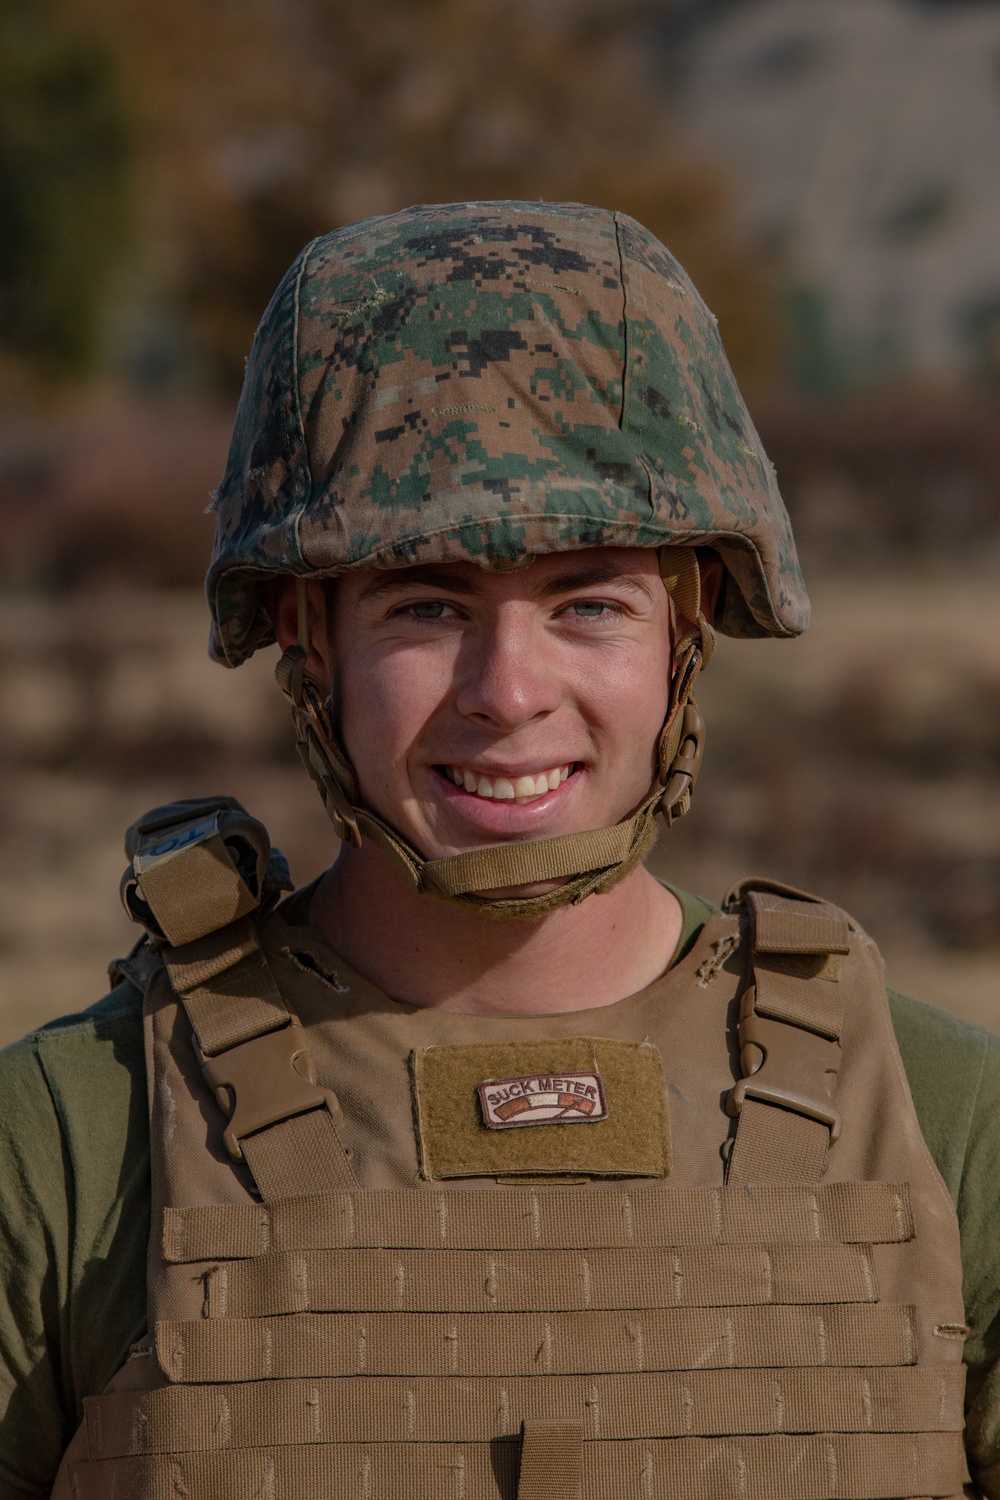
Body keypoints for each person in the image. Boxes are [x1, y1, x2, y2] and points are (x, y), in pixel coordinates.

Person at [1, 200, 998, 1499]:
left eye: (589, 604)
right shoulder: (72, 1139)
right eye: (426, 604)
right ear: (310, 637)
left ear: (686, 631)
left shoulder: (946, 1123)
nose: (507, 690)